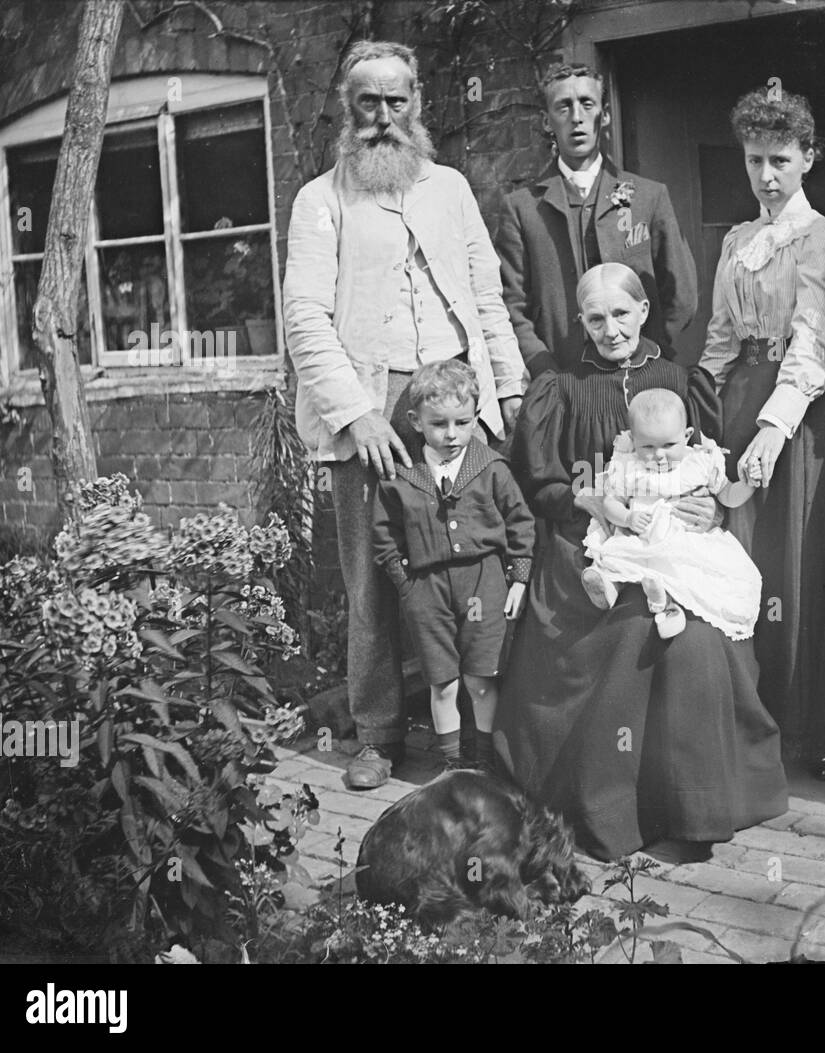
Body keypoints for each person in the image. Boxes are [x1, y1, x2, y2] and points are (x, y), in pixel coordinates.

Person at [282, 40, 526, 790]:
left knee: (470, 565)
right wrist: (357, 415)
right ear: (345, 107)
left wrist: (508, 388)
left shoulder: (450, 188)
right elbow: (304, 318)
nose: (383, 118)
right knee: (374, 578)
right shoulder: (321, 202)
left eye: (397, 101)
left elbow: (486, 295)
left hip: (457, 397)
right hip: (373, 402)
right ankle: (379, 733)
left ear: (416, 103)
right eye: (368, 102)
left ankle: (480, 735)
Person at [494, 263, 787, 861]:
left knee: (697, 644)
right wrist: (589, 499)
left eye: (621, 314)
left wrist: (715, 513)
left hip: (681, 545)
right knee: (629, 634)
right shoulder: (562, 387)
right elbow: (541, 484)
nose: (610, 329)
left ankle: (695, 808)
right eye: (595, 318)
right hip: (589, 544)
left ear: (644, 311)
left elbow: (709, 470)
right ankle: (619, 808)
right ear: (580, 321)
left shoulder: (680, 381)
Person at [697, 89, 825, 777]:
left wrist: (773, 430)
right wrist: (694, 416)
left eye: (781, 160)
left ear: (808, 158)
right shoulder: (737, 242)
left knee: (793, 565)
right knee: (737, 559)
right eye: (755, 160)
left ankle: (802, 730)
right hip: (739, 403)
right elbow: (717, 339)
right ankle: (743, 720)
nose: (767, 176)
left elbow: (812, 344)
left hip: (802, 414)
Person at [369, 360, 535, 774]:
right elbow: (384, 536)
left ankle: (485, 765)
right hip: (428, 590)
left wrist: (518, 579)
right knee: (443, 681)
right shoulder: (402, 475)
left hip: (486, 582)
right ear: (415, 421)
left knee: (481, 678)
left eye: (462, 422)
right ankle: (453, 768)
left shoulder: (491, 467)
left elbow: (520, 524)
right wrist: (406, 585)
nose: (451, 434)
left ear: (476, 418)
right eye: (438, 423)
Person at [495, 64, 699, 376]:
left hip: (640, 378)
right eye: (563, 106)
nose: (576, 117)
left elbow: (681, 295)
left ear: (604, 116)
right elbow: (513, 306)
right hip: (561, 381)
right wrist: (544, 369)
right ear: (546, 121)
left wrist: (648, 351)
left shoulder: (648, 197)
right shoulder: (522, 209)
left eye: (587, 104)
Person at [580, 387, 761, 641]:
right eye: (648, 446)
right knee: (616, 559)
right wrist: (627, 518)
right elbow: (611, 503)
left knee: (685, 573)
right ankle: (608, 587)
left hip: (683, 538)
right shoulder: (629, 465)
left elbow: (728, 496)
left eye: (668, 444)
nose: (659, 455)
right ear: (633, 440)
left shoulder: (700, 462)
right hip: (640, 537)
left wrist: (748, 484)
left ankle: (668, 610)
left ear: (686, 436)